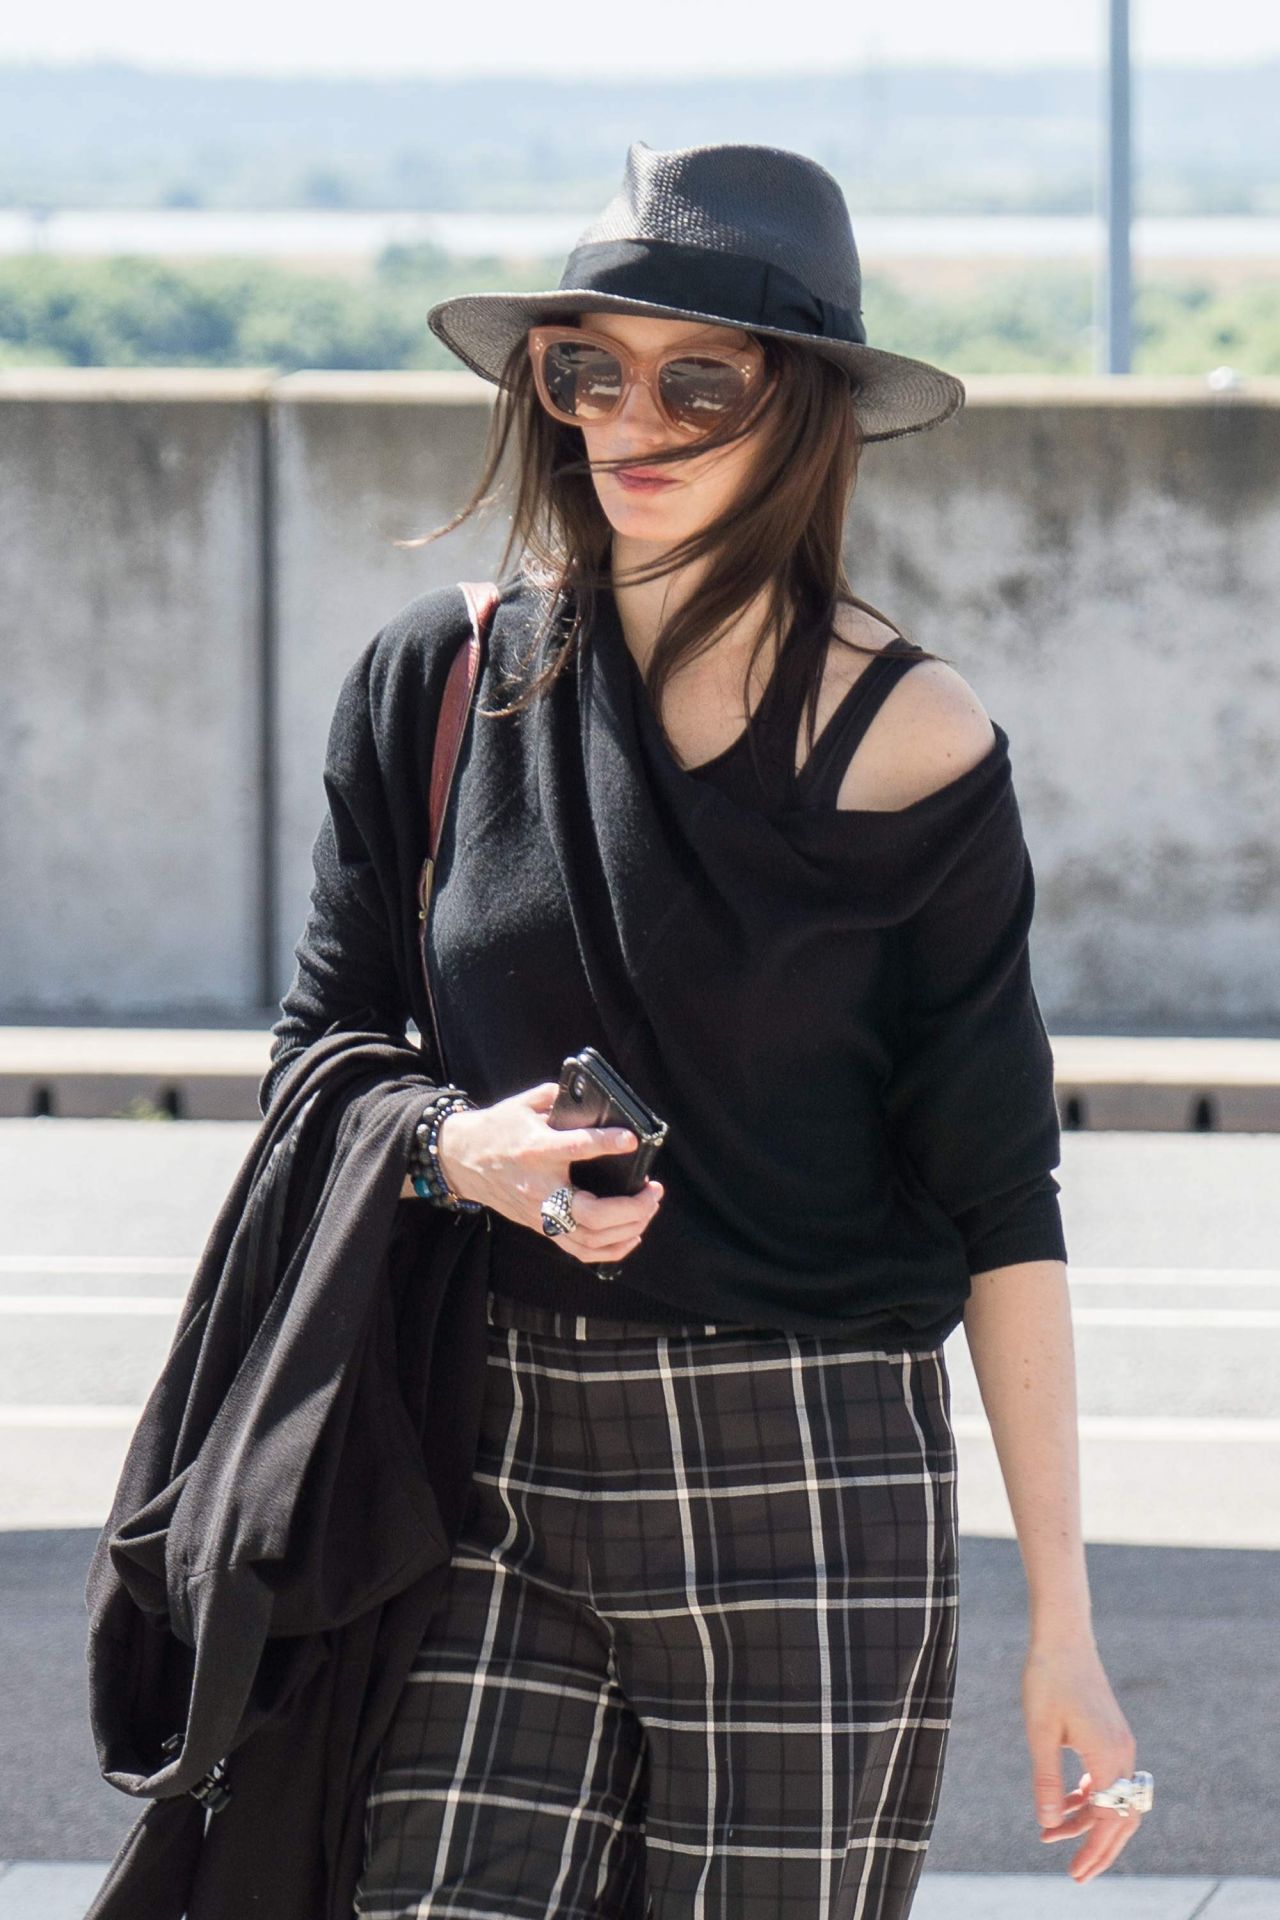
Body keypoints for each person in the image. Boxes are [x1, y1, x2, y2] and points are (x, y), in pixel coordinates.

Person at [268, 140, 1153, 1919]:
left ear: (803, 404)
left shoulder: (911, 738)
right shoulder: (434, 687)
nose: (632, 420)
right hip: (483, 1469)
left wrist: (1068, 1623)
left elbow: (1001, 1197)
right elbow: (319, 1060)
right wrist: (468, 1152)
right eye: (584, 368)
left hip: (806, 1484)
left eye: (699, 379)